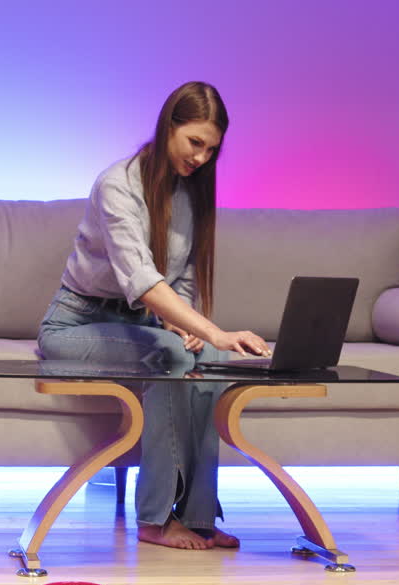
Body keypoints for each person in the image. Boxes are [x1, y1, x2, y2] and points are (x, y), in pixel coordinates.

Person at [37, 81, 271, 551]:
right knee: (176, 357)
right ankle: (155, 519)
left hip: (139, 323)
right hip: (75, 323)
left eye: (211, 149)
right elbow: (141, 279)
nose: (202, 157)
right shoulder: (116, 185)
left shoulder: (189, 196)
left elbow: (179, 279)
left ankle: (199, 515)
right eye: (195, 143)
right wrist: (214, 331)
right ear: (170, 127)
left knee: (208, 363)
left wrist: (188, 328)